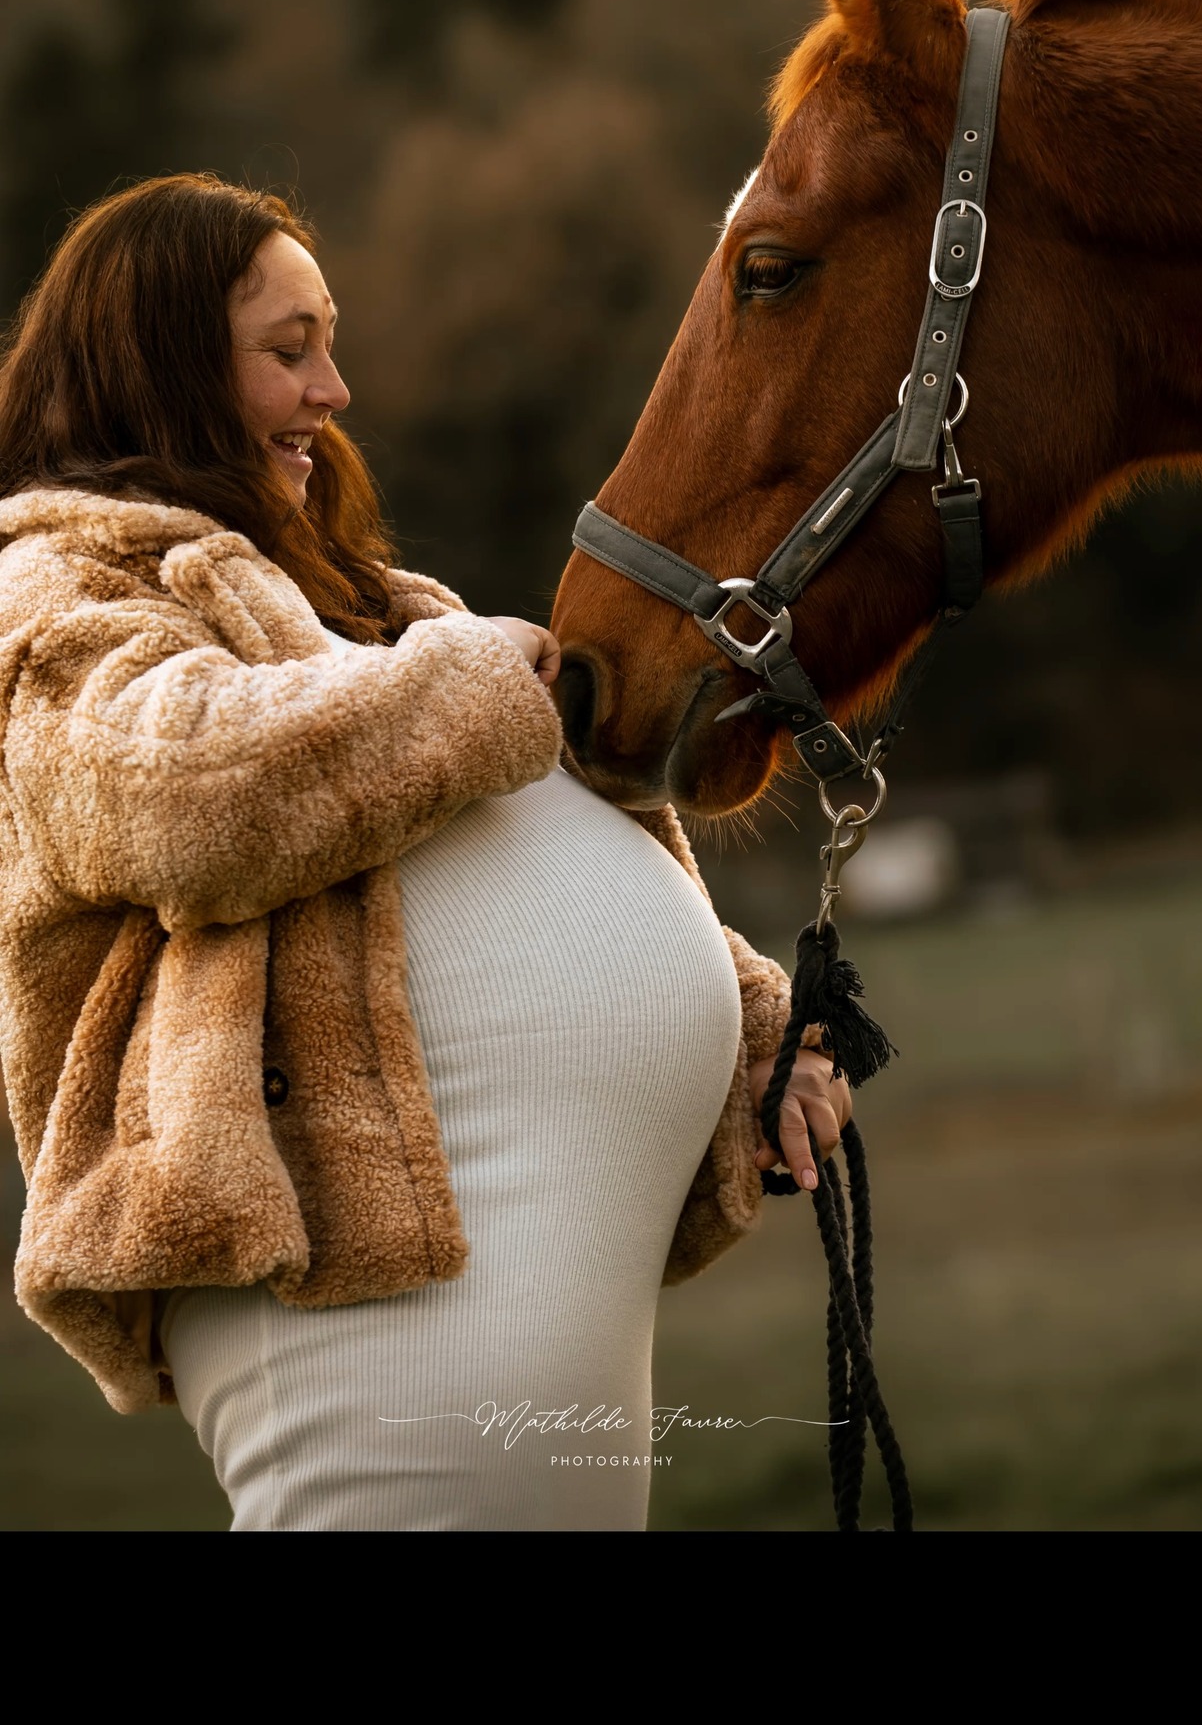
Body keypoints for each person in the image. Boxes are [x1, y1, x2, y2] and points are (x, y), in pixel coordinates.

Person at [0, 173, 849, 1532]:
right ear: (158, 368)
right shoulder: (52, 590)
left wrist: (747, 1016)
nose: (335, 389)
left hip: (506, 1280)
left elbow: (536, 864)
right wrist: (455, 687)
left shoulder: (389, 617)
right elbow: (175, 795)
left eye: (328, 342)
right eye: (289, 350)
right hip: (340, 1272)